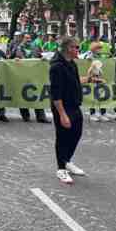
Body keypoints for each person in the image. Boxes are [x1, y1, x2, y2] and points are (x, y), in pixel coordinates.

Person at [50, 36, 86, 184]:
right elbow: (55, 93)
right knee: (63, 136)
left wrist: (90, 78)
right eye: (76, 47)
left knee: (76, 133)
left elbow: (76, 82)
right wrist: (62, 115)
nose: (78, 50)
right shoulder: (56, 66)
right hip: (62, 106)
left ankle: (67, 160)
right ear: (68, 49)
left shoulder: (72, 64)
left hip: (74, 104)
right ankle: (61, 169)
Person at [16, 34, 50, 123]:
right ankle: (25, 116)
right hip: (24, 75)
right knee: (24, 95)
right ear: (23, 38)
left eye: (29, 38)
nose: (28, 39)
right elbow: (19, 58)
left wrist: (43, 58)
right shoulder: (19, 48)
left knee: (37, 94)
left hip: (35, 75)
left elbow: (40, 56)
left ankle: (41, 117)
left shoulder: (35, 47)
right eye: (26, 38)